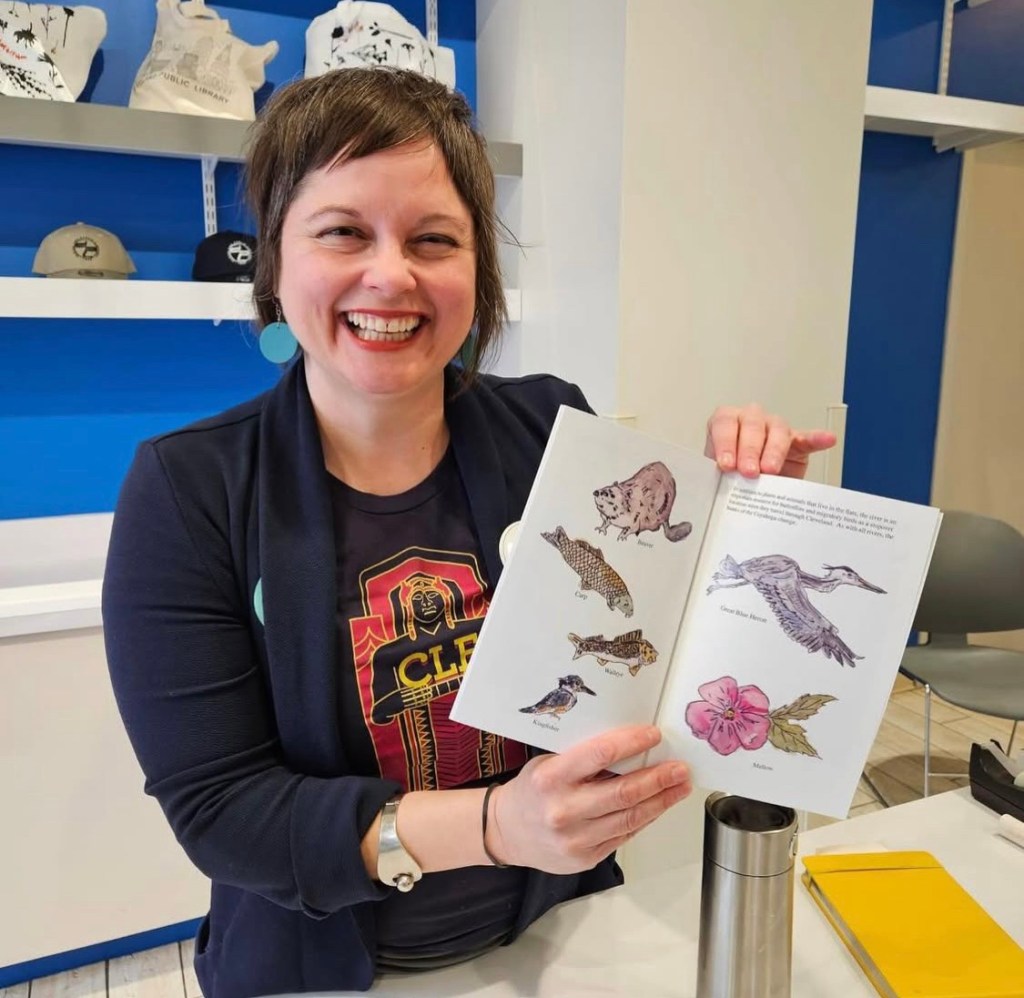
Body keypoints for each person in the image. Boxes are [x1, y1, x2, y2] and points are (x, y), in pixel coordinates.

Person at [102, 67, 835, 998]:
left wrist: (744, 513)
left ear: (476, 271)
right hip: (327, 969)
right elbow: (222, 807)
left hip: (563, 936)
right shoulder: (189, 488)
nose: (392, 275)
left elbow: (647, 650)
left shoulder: (548, 432)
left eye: (434, 239)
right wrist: (492, 827)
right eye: (342, 232)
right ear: (277, 264)